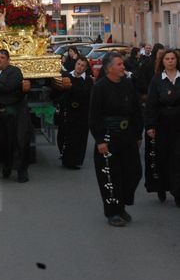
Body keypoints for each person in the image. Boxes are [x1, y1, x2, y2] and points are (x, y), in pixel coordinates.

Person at [89, 52, 143, 227]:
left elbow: (136, 110)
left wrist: (137, 134)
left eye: (123, 64)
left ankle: (122, 203)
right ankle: (114, 212)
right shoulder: (100, 87)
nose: (123, 67)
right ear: (109, 68)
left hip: (127, 135)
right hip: (108, 136)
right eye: (119, 64)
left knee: (134, 171)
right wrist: (100, 140)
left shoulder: (128, 85)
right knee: (111, 176)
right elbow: (94, 116)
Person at [0, 49, 33, 183]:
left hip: (16, 114)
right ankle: (6, 167)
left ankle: (22, 171)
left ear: (8, 60)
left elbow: (9, 87)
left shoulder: (14, 71)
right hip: (0, 114)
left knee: (20, 142)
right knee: (3, 143)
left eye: (2, 57)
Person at [144, 49, 180, 206]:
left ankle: (178, 192)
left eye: (173, 58)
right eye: (167, 59)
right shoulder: (157, 79)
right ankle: (161, 187)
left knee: (178, 157)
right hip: (162, 124)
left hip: (178, 124)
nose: (171, 61)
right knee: (162, 157)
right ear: (162, 61)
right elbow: (151, 104)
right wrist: (150, 125)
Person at [56, 55, 93, 169]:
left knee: (78, 137)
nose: (80, 67)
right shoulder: (66, 76)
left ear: (85, 68)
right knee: (63, 134)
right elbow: (59, 91)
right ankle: (64, 156)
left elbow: (84, 94)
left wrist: (71, 87)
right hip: (67, 111)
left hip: (81, 112)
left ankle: (75, 161)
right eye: (78, 64)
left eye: (83, 66)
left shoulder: (87, 80)